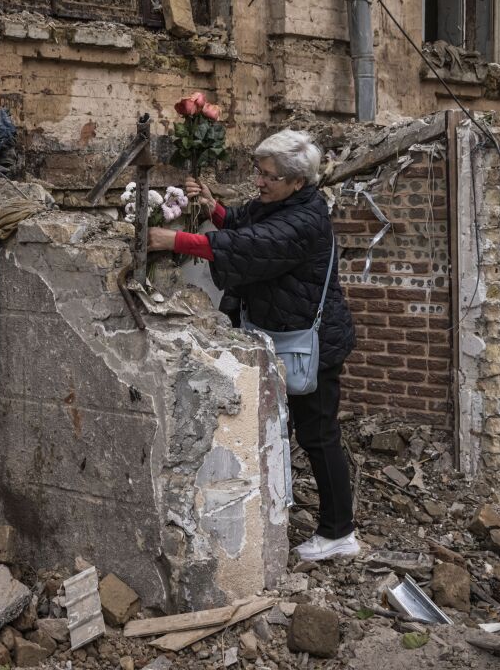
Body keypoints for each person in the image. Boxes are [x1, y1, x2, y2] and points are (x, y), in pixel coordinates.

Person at [148, 129, 361, 561]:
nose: (259, 183)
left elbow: (256, 245)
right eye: (258, 172)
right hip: (286, 334)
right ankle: (278, 507)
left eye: (268, 176)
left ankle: (340, 533)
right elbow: (247, 224)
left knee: (319, 435)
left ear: (296, 181)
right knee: (281, 429)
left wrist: (176, 240)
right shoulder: (283, 203)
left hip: (310, 344)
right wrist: (214, 208)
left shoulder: (304, 218)